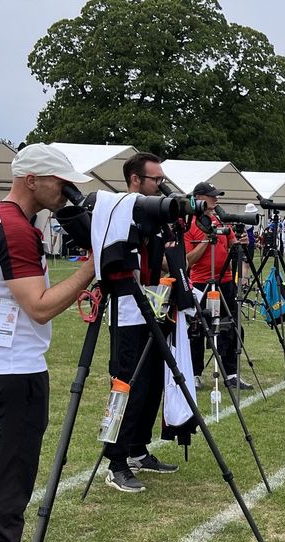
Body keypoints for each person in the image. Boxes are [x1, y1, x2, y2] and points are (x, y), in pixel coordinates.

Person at [0, 143, 96, 542]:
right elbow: (38, 307)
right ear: (33, 179)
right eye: (60, 182)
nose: (67, 192)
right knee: (9, 468)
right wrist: (93, 270)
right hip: (11, 365)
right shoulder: (16, 228)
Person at [103, 152, 180, 493]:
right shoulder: (120, 213)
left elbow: (158, 260)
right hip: (125, 310)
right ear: (136, 179)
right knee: (126, 385)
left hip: (153, 305)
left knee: (152, 384)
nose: (161, 185)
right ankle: (115, 460)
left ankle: (137, 448)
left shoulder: (153, 215)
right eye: (156, 180)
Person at [184, 182, 250, 391]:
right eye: (212, 196)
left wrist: (241, 241)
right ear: (199, 198)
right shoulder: (189, 223)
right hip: (201, 282)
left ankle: (230, 374)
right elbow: (188, 260)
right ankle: (194, 373)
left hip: (225, 280)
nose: (216, 200)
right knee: (197, 328)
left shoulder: (219, 219)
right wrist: (206, 240)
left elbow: (231, 243)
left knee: (229, 326)